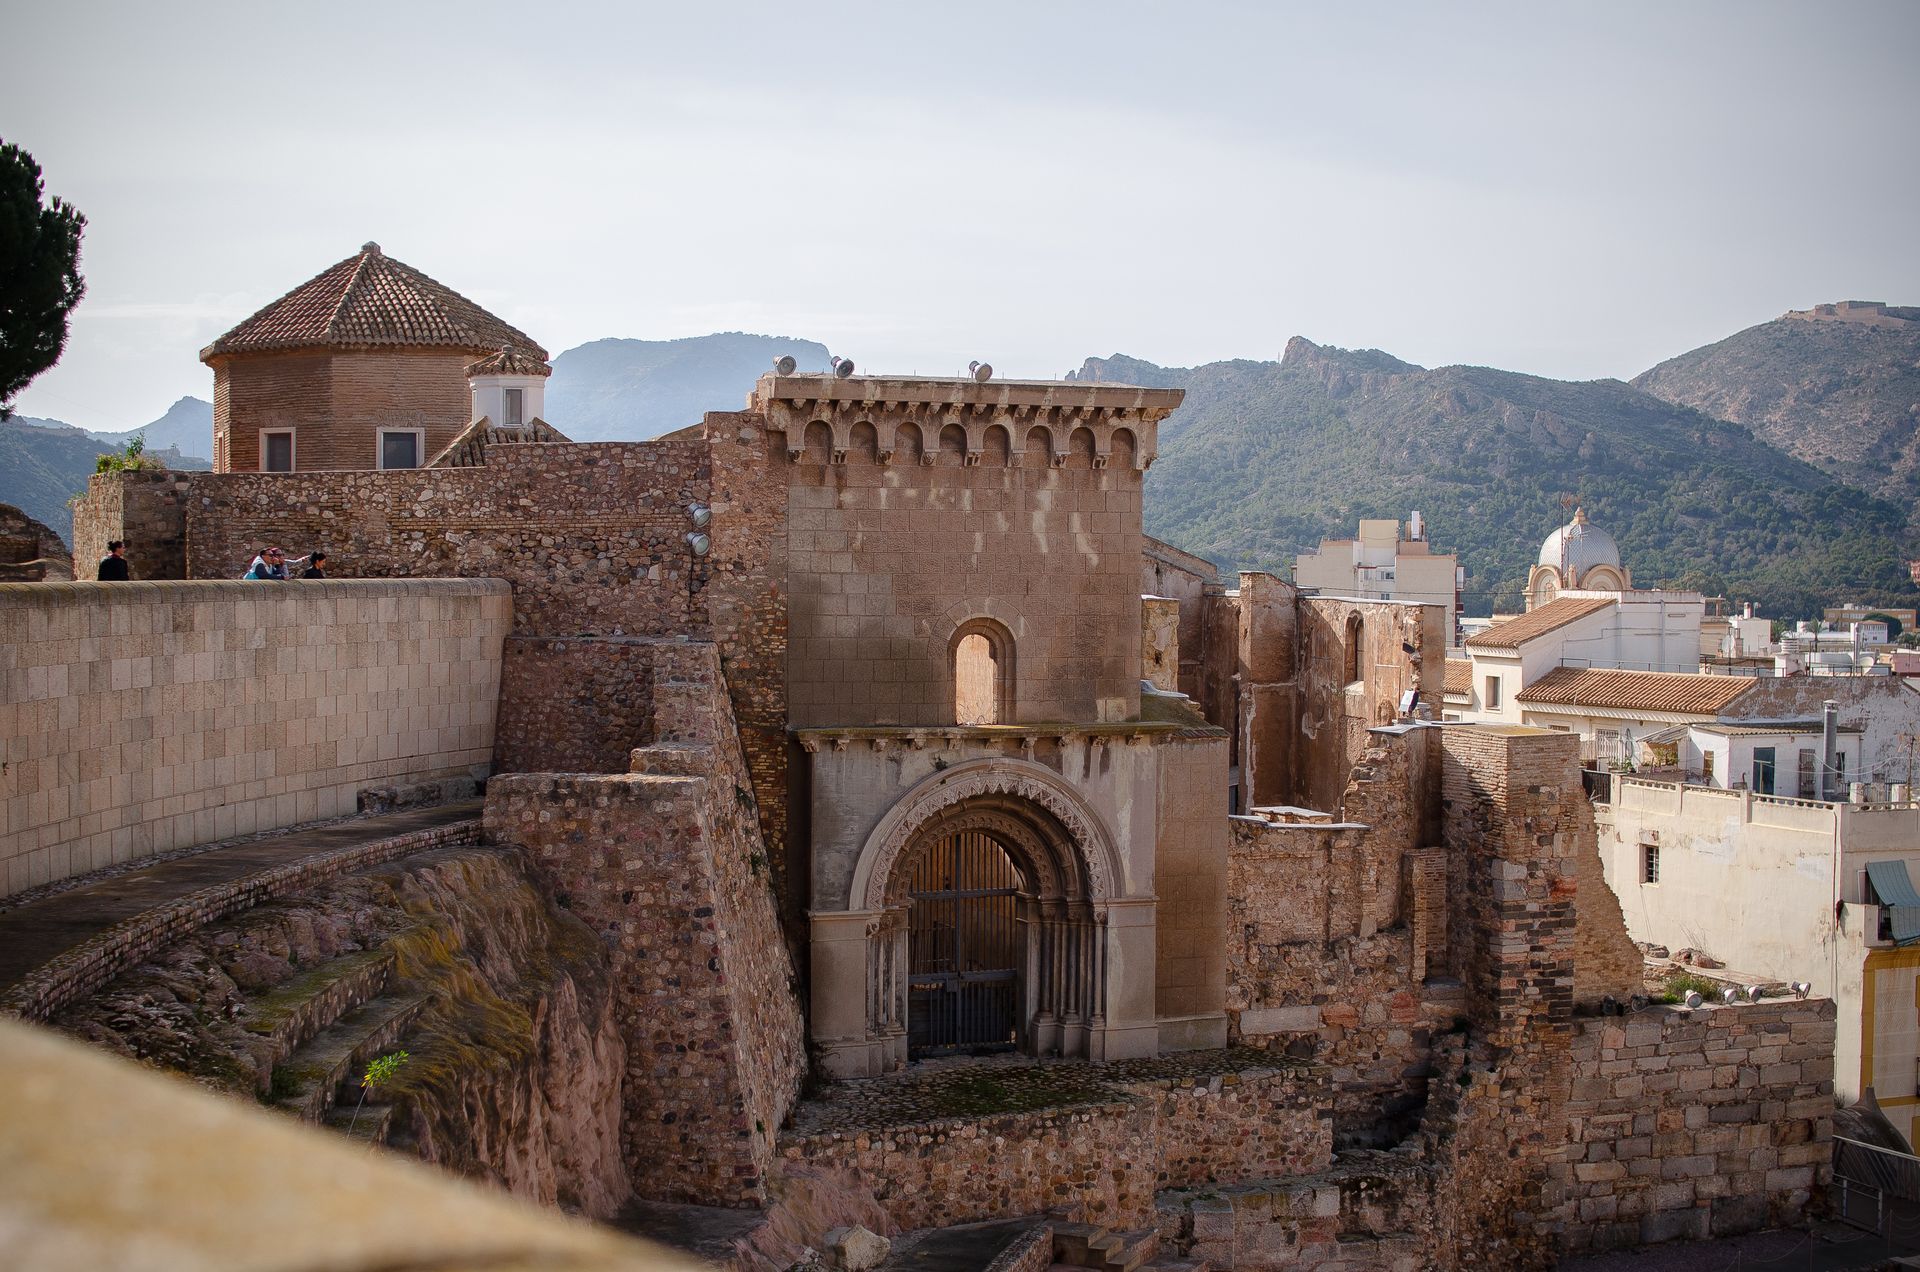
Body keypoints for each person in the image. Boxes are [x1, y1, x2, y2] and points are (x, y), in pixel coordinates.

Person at [243, 547, 309, 580]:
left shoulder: (270, 564)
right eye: (270, 555)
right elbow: (264, 576)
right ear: (263, 556)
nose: (272, 557)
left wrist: (277, 565)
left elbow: (276, 574)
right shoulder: (259, 563)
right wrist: (282, 577)